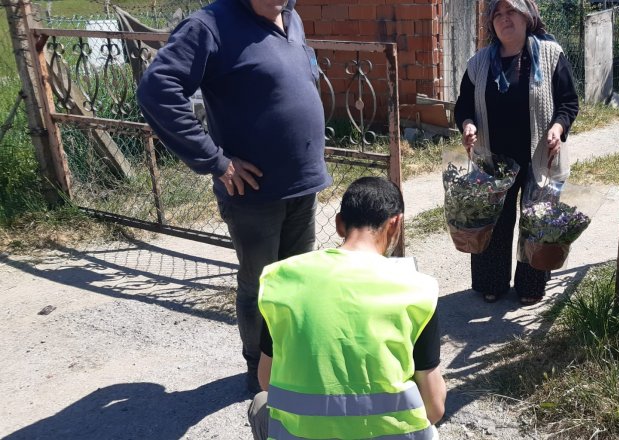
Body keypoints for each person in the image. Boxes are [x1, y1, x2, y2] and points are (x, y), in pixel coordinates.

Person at [136, 0, 330, 393]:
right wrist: (216, 161)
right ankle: (259, 372)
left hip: (302, 183)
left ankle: (290, 360)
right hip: (253, 192)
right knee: (260, 285)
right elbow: (157, 91)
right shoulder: (210, 25)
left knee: (296, 281)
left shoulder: (291, 19)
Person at [247, 177, 447, 440]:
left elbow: (266, 380)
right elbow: (433, 408)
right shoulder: (417, 288)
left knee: (260, 403)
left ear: (340, 224)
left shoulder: (281, 280)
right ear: (396, 224)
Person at [454, 0, 580, 305]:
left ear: (527, 16)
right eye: (497, 14)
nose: (503, 18)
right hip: (493, 158)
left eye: (510, 11)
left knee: (536, 220)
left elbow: (568, 102)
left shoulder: (550, 55)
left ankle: (531, 285)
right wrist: (468, 124)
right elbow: (463, 107)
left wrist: (558, 128)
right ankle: (492, 282)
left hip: (538, 155)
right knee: (495, 221)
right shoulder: (478, 63)